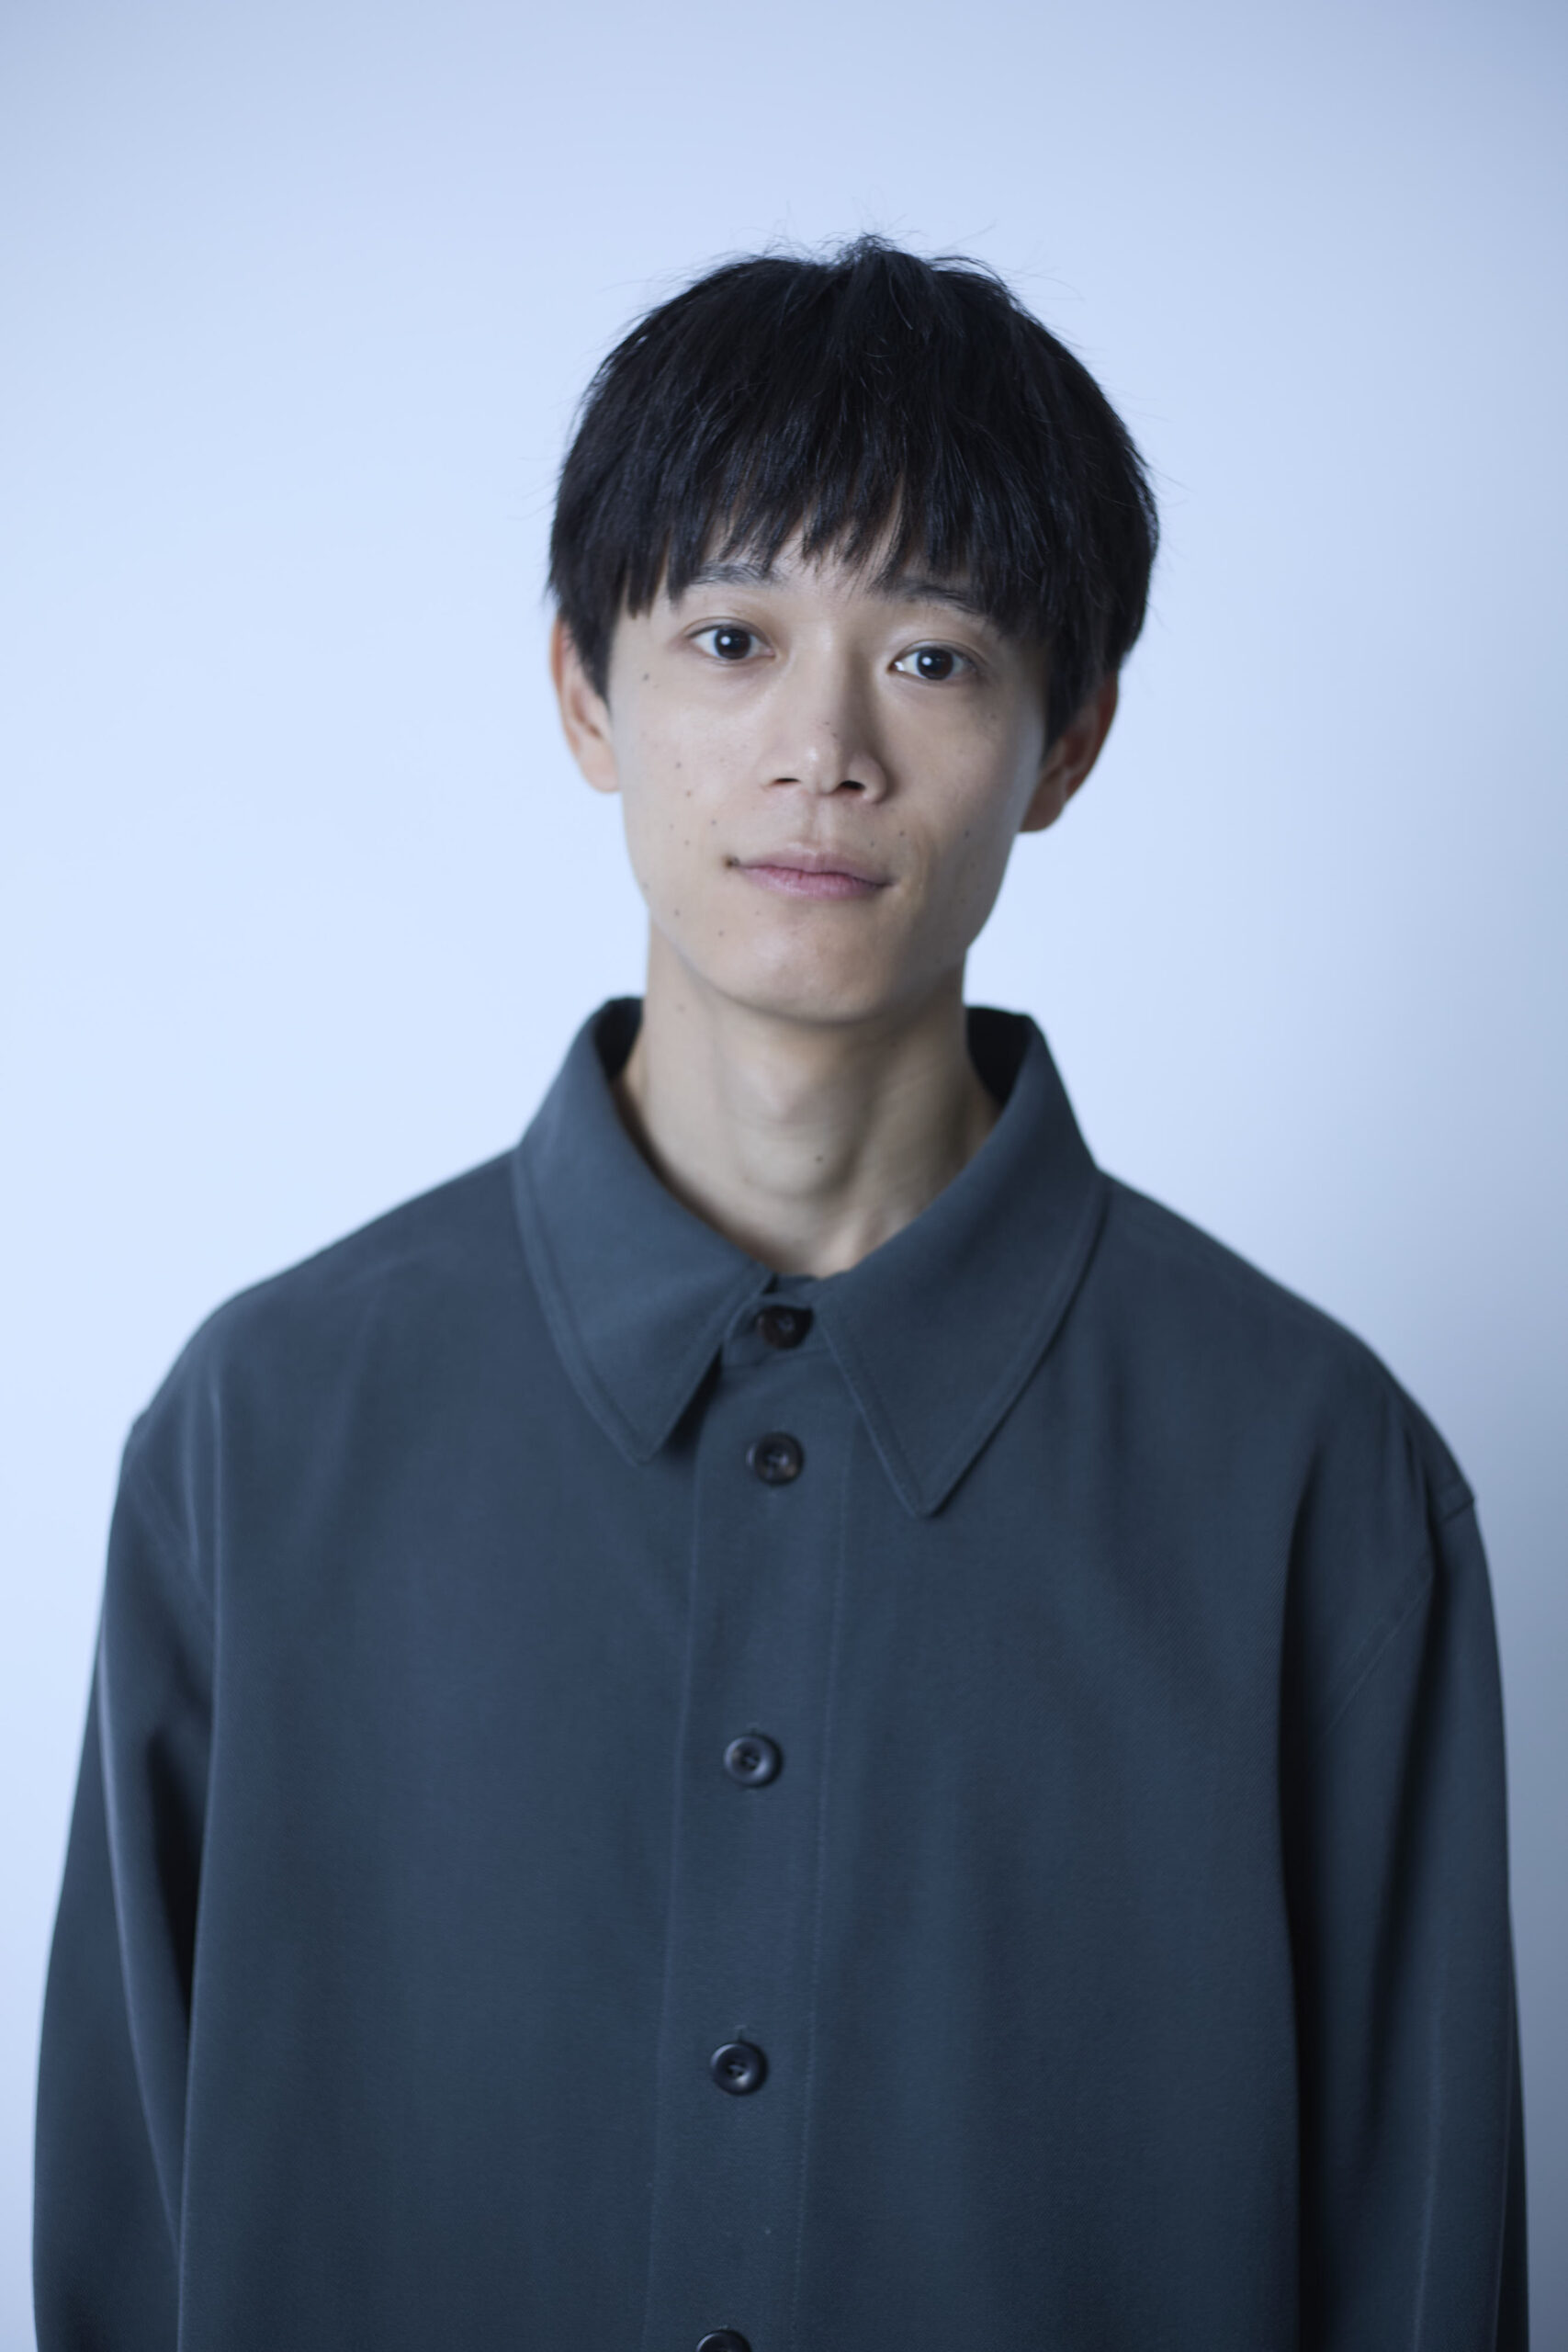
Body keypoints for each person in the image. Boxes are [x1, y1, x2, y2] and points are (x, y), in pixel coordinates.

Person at [34, 237, 1527, 2351]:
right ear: (585, 693)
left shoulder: (1317, 1478)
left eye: (931, 654)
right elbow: (118, 2240)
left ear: (1068, 740)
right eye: (728, 637)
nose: (821, 747)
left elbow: (1423, 2267)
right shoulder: (259, 1431)